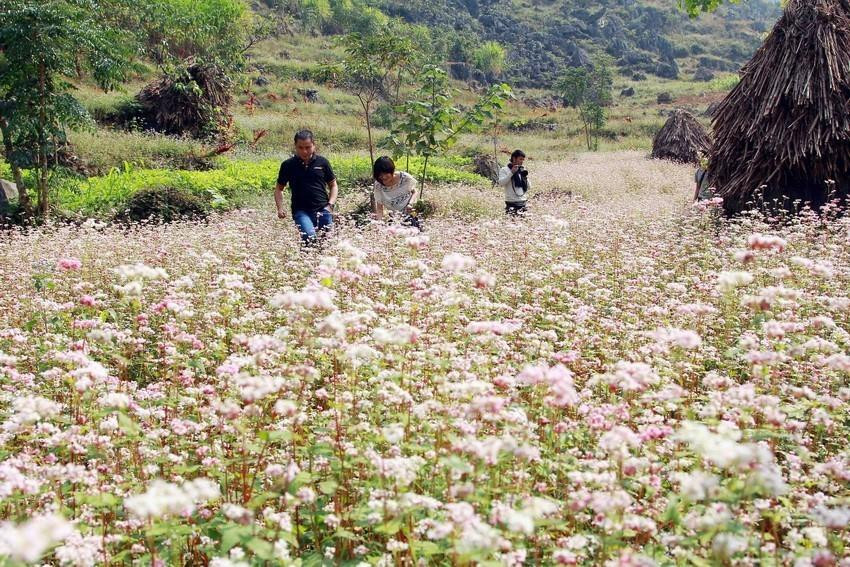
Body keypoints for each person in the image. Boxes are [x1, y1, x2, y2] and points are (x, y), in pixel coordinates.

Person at [275, 130, 338, 246]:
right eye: (300, 147)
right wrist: (280, 208)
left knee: (327, 242)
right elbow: (279, 188)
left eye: (308, 147)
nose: (304, 151)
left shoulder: (322, 163)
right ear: (295, 146)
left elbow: (333, 185)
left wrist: (330, 205)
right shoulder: (288, 165)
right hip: (301, 211)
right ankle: (306, 261)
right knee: (309, 237)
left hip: (323, 210)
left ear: (314, 145)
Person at [372, 156, 420, 230]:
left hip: (411, 213)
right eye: (380, 175)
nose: (383, 177)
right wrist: (379, 224)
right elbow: (379, 207)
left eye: (385, 173)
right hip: (395, 217)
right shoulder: (378, 185)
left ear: (392, 171)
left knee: (415, 234)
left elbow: (415, 191)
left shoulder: (405, 178)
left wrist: (410, 204)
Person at [499, 150, 530, 215]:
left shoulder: (521, 170)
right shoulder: (504, 170)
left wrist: (524, 176)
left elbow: (529, 187)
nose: (522, 161)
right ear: (514, 158)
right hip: (511, 202)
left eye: (523, 160)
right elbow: (501, 183)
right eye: (520, 159)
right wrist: (511, 173)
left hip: (523, 201)